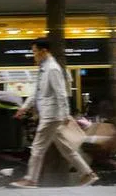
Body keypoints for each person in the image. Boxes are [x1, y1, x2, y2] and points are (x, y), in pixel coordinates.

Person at [12, 38, 98, 188]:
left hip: (51, 116)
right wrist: (24, 107)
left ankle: (31, 179)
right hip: (50, 115)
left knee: (38, 147)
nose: (34, 55)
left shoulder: (52, 68)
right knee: (66, 148)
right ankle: (87, 174)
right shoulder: (44, 68)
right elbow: (36, 93)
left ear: (43, 51)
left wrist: (65, 114)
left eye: (35, 52)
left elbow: (61, 93)